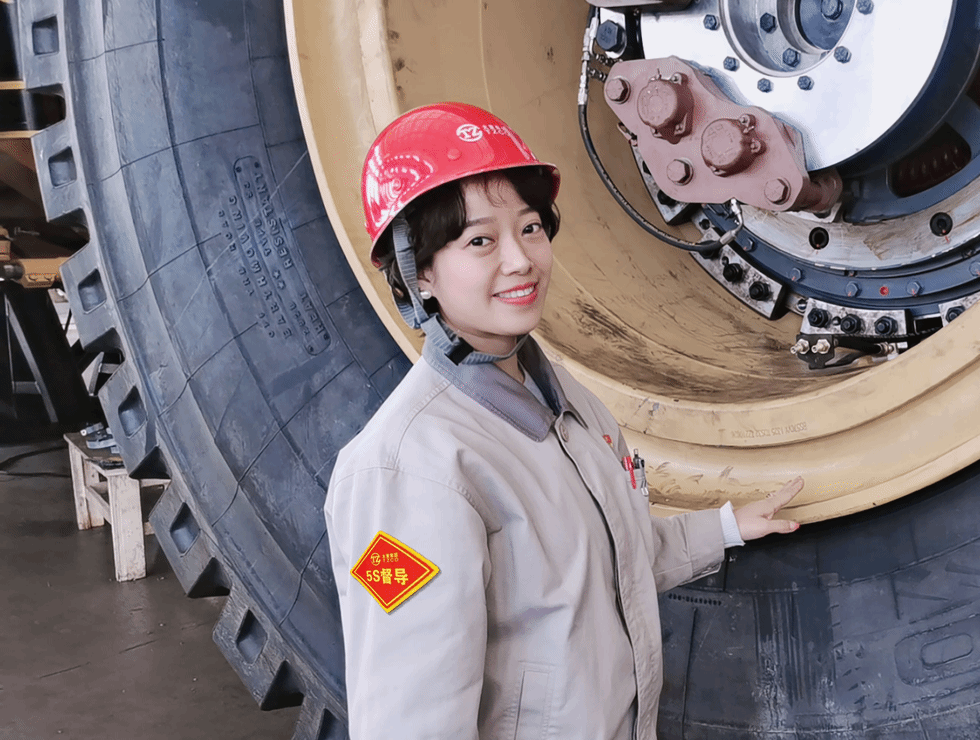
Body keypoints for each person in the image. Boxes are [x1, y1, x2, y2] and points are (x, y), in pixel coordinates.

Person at [324, 102, 803, 740]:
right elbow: (410, 720)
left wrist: (724, 528)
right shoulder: (406, 471)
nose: (521, 260)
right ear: (420, 274)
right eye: (479, 241)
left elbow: (601, 562)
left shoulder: (567, 403)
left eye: (530, 228)